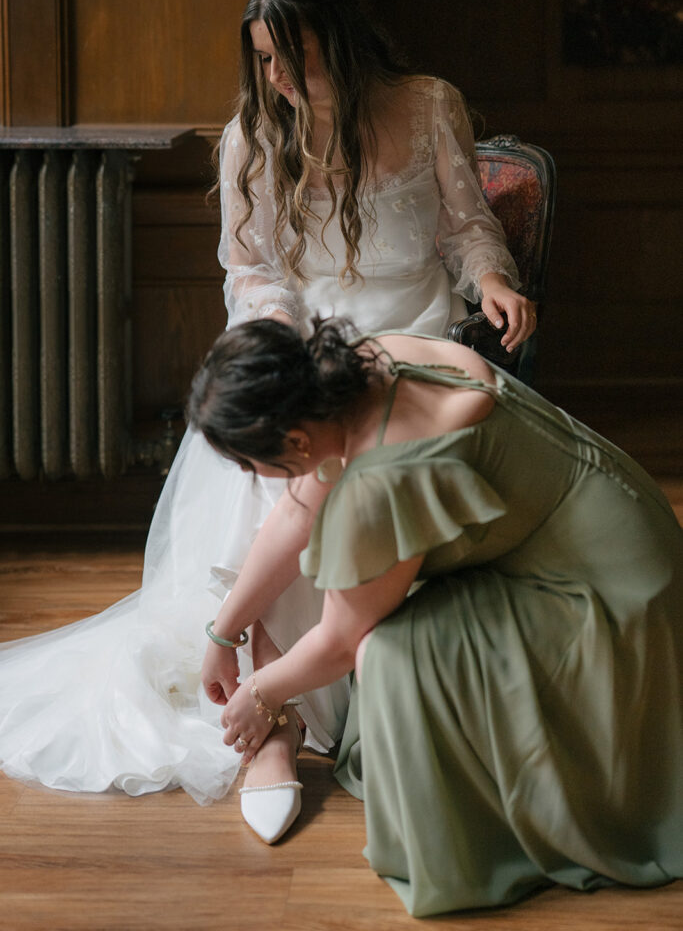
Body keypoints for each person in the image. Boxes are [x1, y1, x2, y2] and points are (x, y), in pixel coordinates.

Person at [0, 0, 534, 827]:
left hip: (415, 336)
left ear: (348, 48)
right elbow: (249, 270)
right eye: (263, 62)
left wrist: (492, 277)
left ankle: (355, 678)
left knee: (344, 470)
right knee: (272, 468)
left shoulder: (430, 103)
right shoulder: (253, 134)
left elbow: (465, 223)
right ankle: (270, 715)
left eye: (297, 59)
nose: (278, 80)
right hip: (305, 346)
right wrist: (288, 347)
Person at [188, 315, 683, 918]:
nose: (249, 477)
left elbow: (342, 640)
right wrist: (224, 630)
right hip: (616, 513)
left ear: (295, 443)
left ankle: (495, 833)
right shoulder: (359, 366)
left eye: (247, 464)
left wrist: (261, 692)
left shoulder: (382, 479)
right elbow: (297, 516)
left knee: (384, 655)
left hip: (603, 590)